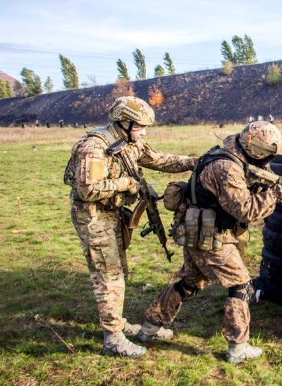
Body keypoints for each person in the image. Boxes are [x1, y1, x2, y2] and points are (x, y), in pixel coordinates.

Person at [137, 121, 282, 364]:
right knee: (240, 286)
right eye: (266, 154)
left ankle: (149, 328)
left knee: (189, 282)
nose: (268, 161)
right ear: (253, 148)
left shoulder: (229, 154)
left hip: (197, 230)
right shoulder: (226, 167)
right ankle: (237, 348)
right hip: (212, 237)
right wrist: (278, 194)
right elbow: (245, 210)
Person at [64, 96, 196, 358]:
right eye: (139, 127)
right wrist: (125, 184)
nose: (143, 132)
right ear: (124, 122)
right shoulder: (94, 147)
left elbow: (158, 159)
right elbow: (87, 189)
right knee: (108, 276)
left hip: (112, 213)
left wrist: (195, 161)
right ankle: (113, 339)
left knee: (119, 271)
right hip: (92, 216)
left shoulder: (128, 143)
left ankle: (118, 324)